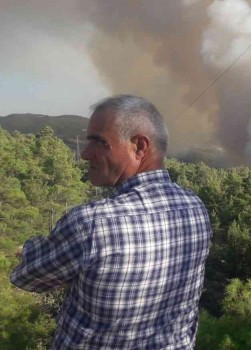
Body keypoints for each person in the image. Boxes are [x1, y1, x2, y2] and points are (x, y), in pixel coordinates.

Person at [11, 95, 213, 349]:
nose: (85, 154)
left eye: (98, 142)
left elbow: (26, 277)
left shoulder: (91, 224)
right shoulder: (196, 208)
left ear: (139, 147)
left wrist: (28, 248)